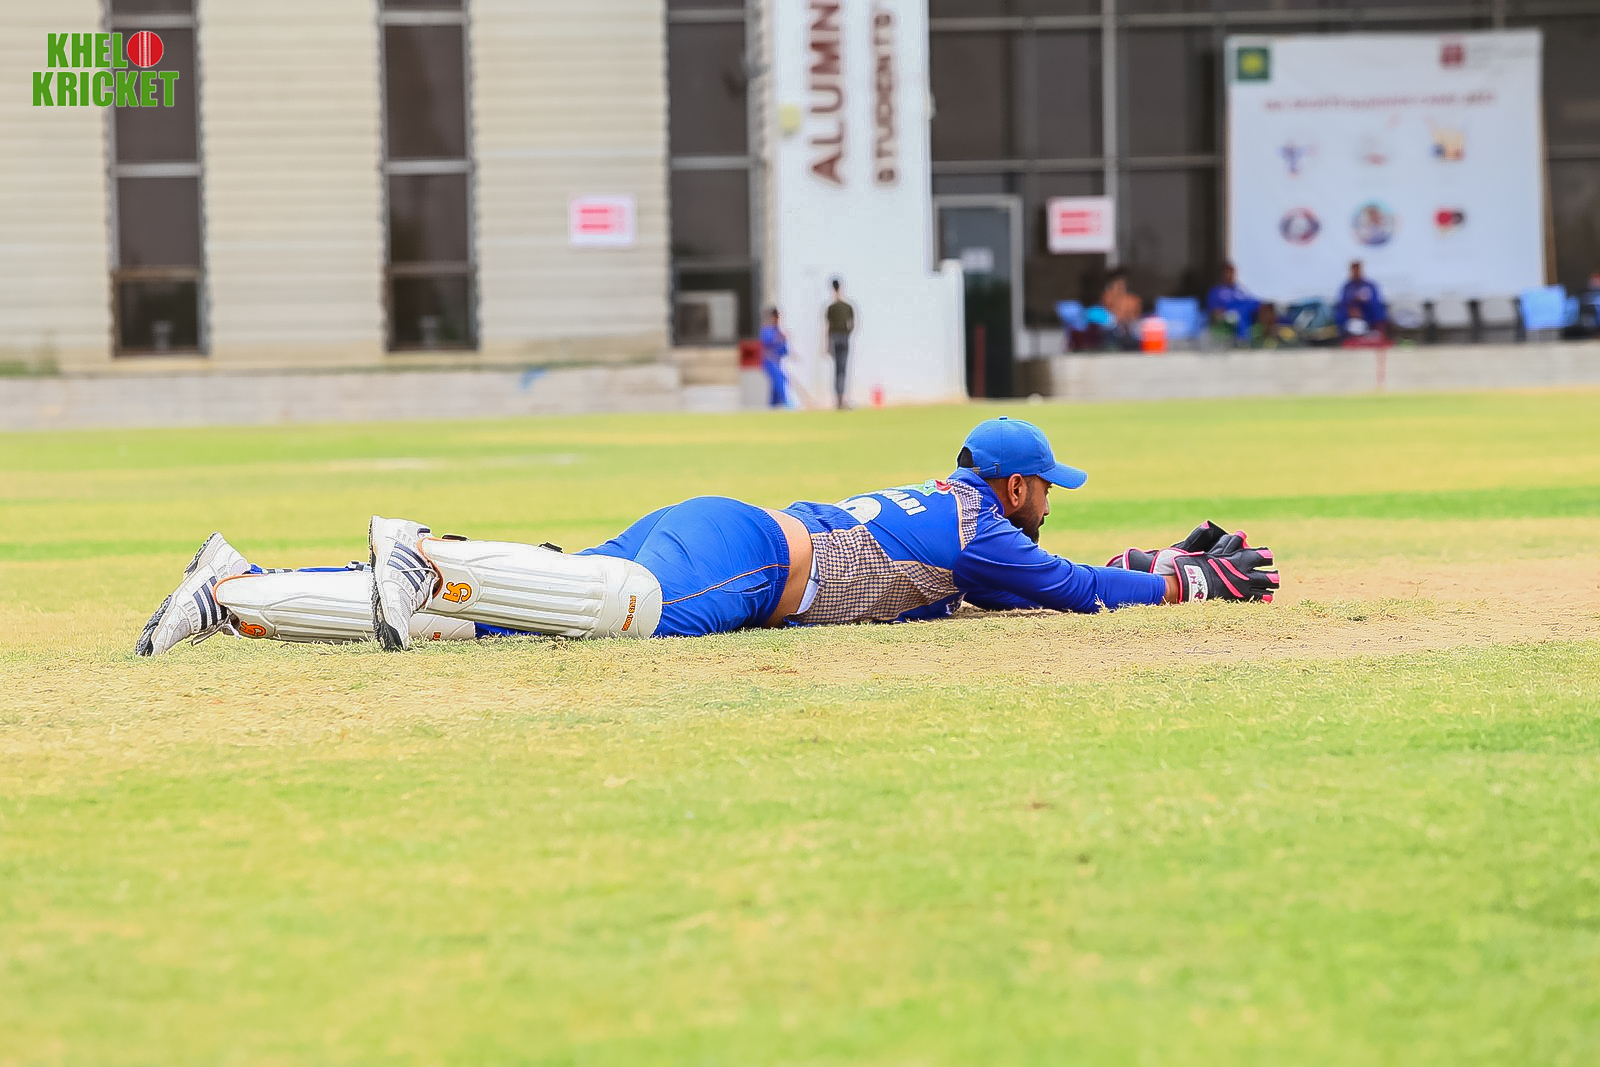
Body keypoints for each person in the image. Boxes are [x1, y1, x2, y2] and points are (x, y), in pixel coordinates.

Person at [136, 417, 1280, 656]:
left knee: (494, 622)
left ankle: (235, 592)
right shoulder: (987, 526)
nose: (1052, 502)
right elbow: (1069, 589)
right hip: (747, 562)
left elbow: (1049, 579)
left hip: (725, 530)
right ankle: (424, 553)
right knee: (617, 610)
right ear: (1020, 483)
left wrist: (1149, 561)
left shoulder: (960, 509)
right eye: (1051, 488)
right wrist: (1187, 587)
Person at [1206, 262, 1260, 343]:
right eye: (1227, 272)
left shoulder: (1241, 290)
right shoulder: (1216, 292)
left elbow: (1253, 302)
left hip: (1250, 321)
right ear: (1221, 274)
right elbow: (1215, 314)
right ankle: (1241, 340)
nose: (1230, 275)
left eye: (1232, 272)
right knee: (1237, 315)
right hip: (1229, 322)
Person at [824, 278, 855, 409]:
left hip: (835, 338)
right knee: (842, 370)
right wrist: (847, 333)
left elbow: (828, 328)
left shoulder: (831, 308)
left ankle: (839, 400)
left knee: (838, 370)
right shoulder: (847, 307)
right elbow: (852, 325)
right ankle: (841, 400)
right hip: (843, 338)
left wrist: (828, 344)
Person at [1335, 261, 1387, 337]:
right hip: (1351, 315)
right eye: (1354, 270)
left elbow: (1375, 300)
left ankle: (1378, 332)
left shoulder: (1370, 285)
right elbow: (1343, 302)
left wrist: (1365, 301)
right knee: (1340, 312)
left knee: (1378, 308)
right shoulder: (1347, 287)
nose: (1356, 273)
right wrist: (1352, 307)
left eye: (1358, 270)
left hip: (1368, 312)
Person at [1099, 268, 1143, 351]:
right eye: (1117, 282)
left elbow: (1136, 316)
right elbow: (1108, 313)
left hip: (1130, 329)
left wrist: (1127, 320)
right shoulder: (1108, 296)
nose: (1120, 285)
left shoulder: (1133, 299)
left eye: (1122, 283)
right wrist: (1116, 294)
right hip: (1112, 329)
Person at [758, 307, 790, 408]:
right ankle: (786, 403)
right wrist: (779, 338)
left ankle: (773, 406)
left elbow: (783, 351)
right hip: (768, 361)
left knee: (777, 385)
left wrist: (784, 341)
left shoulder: (778, 331)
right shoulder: (767, 330)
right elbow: (766, 342)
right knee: (779, 380)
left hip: (776, 361)